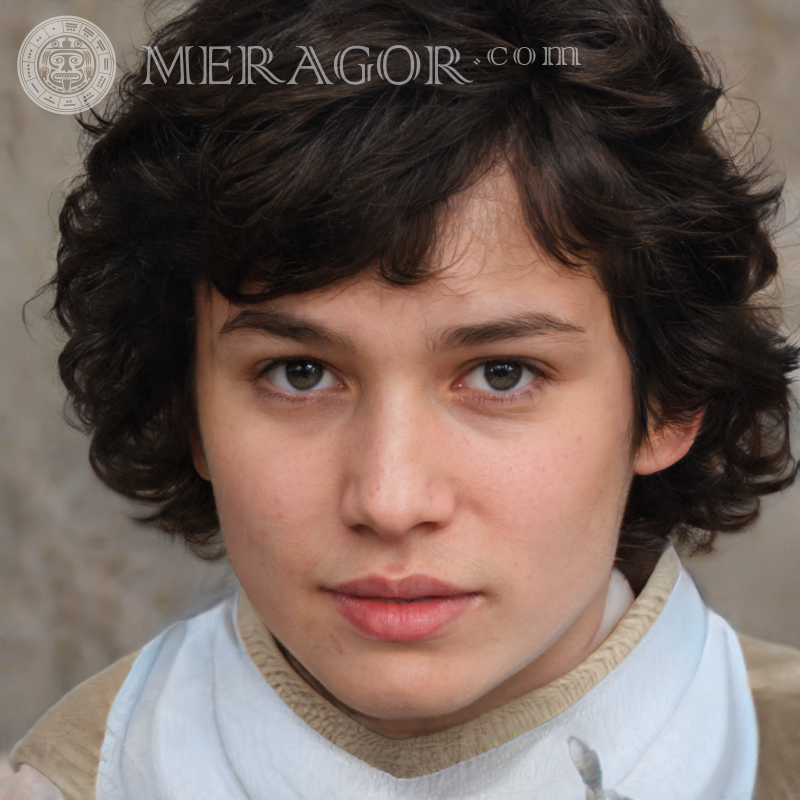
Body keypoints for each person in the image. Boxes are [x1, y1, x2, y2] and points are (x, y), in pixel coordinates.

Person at [9, 0, 800, 797]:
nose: (390, 501)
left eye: (501, 374)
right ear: (189, 410)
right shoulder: (71, 779)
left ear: (666, 400)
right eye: (300, 373)